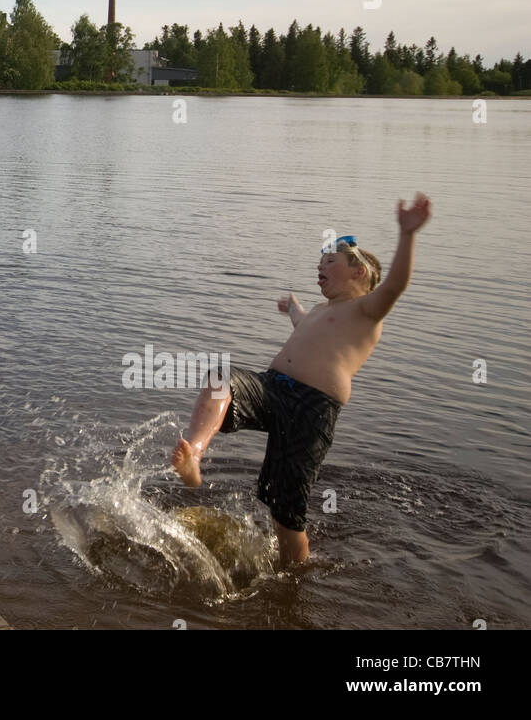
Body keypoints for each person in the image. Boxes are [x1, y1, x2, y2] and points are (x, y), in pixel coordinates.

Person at [170, 193, 432, 565]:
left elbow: (395, 285)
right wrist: (294, 307)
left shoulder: (367, 311)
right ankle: (194, 453)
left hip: (311, 411)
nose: (319, 266)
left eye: (330, 261)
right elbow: (304, 326)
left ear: (358, 272)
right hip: (272, 388)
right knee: (220, 379)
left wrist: (407, 235)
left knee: (285, 510)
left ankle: (295, 574)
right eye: (319, 262)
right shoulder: (322, 311)